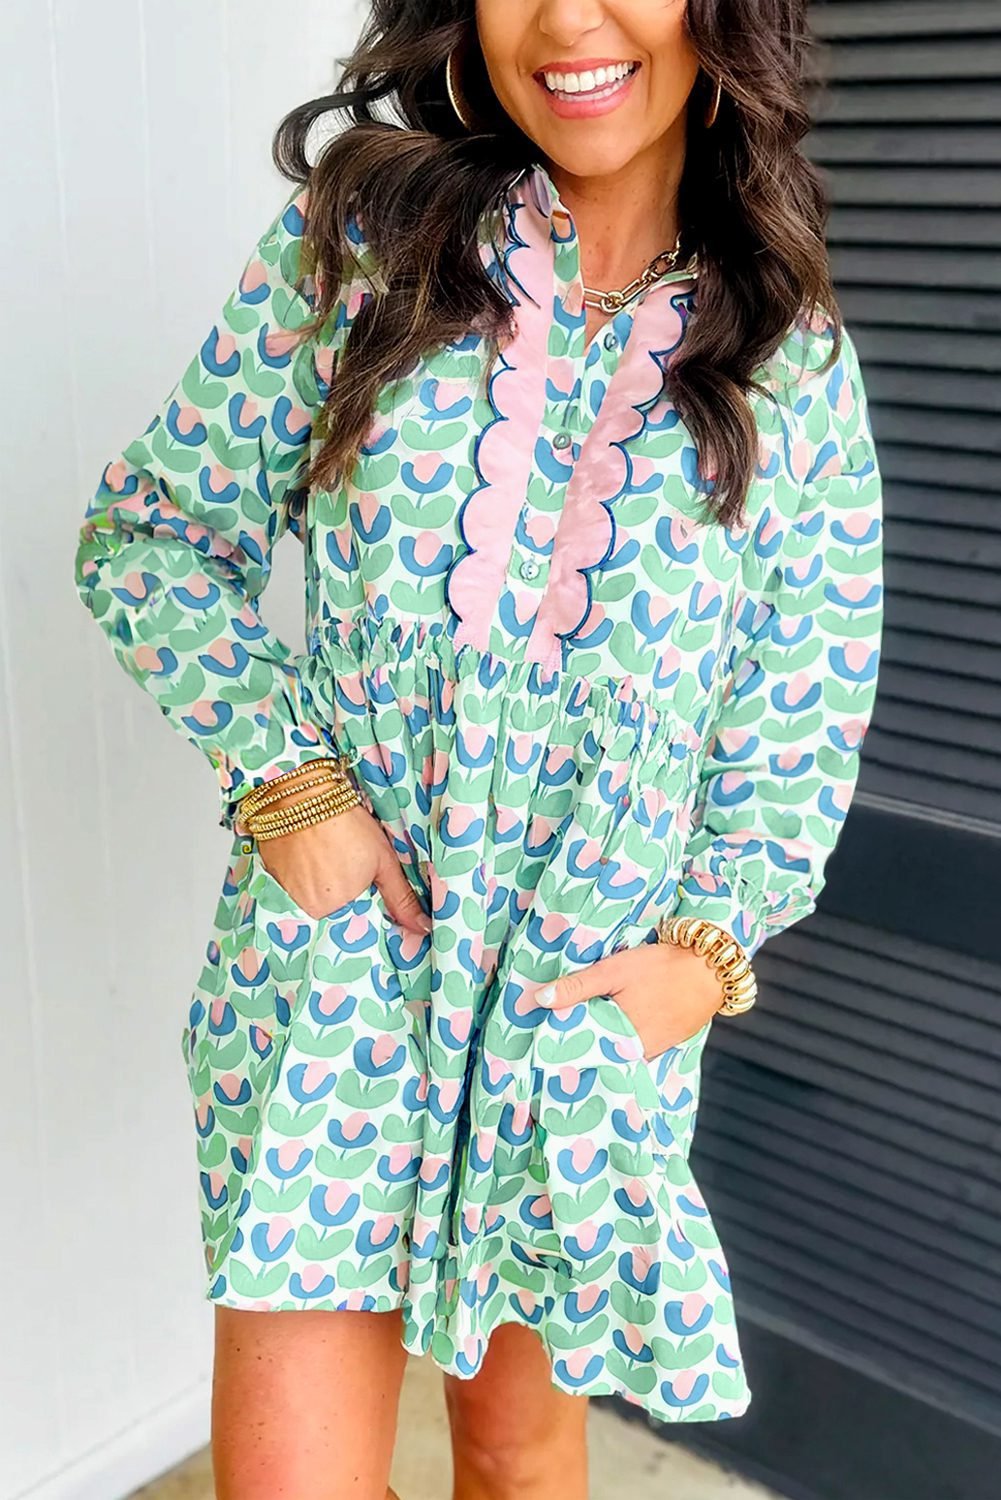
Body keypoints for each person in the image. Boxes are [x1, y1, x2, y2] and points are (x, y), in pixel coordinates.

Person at [73, 2, 884, 1496]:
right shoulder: (362, 253)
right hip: (343, 982)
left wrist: (698, 960)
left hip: (571, 1026)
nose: (569, 19)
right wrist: (290, 785)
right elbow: (153, 537)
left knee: (515, 1463)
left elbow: (797, 727)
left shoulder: (789, 363)